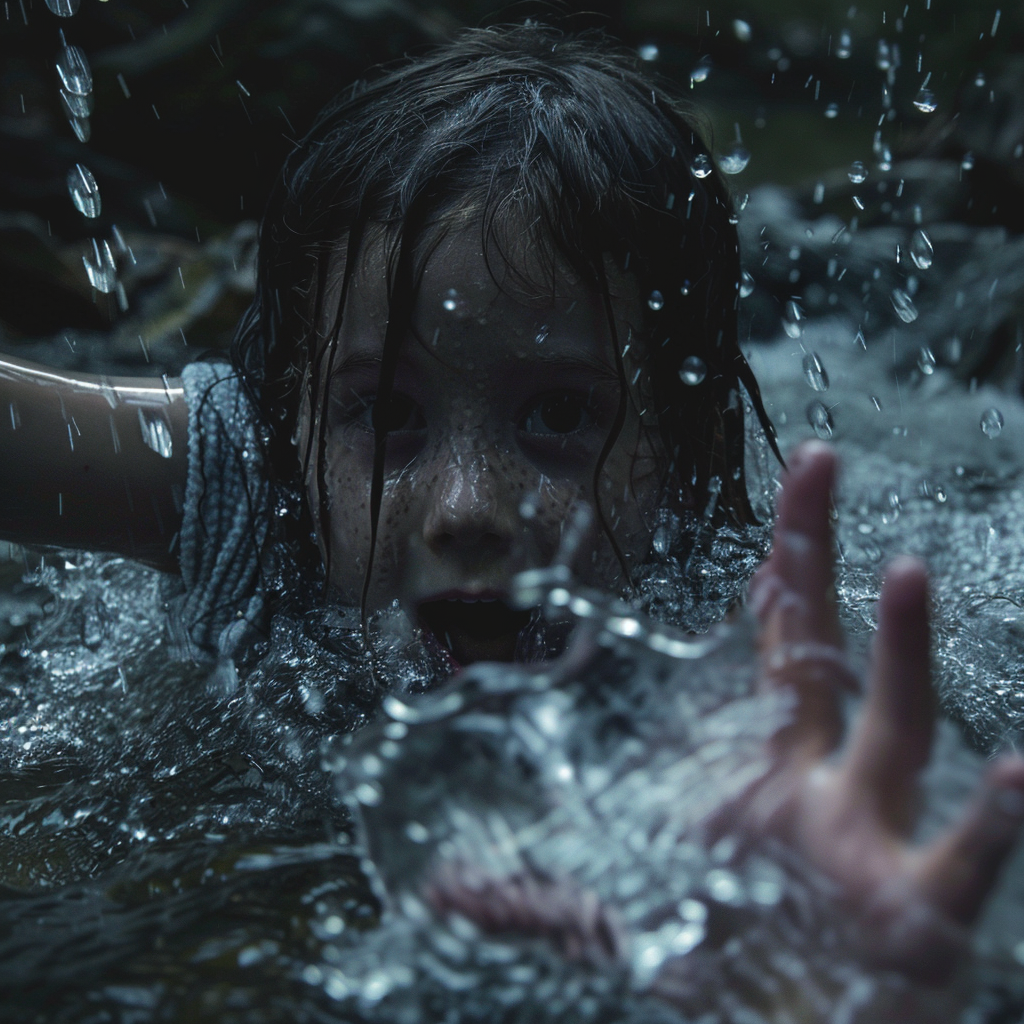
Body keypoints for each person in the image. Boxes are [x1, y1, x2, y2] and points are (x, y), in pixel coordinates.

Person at [0, 20, 1022, 994]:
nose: (465, 506)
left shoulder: (737, 653)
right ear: (291, 430)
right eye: (387, 415)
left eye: (561, 414)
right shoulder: (256, 480)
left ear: (686, 456)